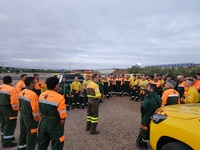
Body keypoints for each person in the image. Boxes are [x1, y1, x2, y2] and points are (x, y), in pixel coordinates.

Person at [37, 77, 67, 150]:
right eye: (58, 84)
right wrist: (62, 120)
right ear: (56, 85)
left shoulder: (42, 95)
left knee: (42, 144)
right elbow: (62, 113)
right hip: (54, 123)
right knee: (57, 143)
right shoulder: (59, 97)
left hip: (43, 121)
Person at [136, 84, 162, 149]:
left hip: (147, 116)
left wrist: (142, 112)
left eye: (148, 88)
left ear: (151, 89)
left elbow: (143, 108)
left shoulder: (148, 97)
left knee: (144, 129)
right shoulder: (158, 96)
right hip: (154, 115)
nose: (147, 89)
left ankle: (144, 143)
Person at [18, 77, 40, 150]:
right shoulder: (33, 95)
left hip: (22, 115)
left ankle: (21, 147)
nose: (35, 84)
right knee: (31, 134)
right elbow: (35, 110)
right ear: (31, 83)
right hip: (30, 117)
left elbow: (19, 105)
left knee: (23, 132)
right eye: (34, 82)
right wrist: (37, 119)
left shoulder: (21, 92)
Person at [0, 76, 18, 148]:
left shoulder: (0, 87)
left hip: (1, 107)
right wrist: (16, 109)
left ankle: (4, 138)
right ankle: (7, 142)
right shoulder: (12, 89)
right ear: (10, 81)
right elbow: (14, 102)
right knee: (9, 125)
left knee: (3, 123)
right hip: (8, 109)